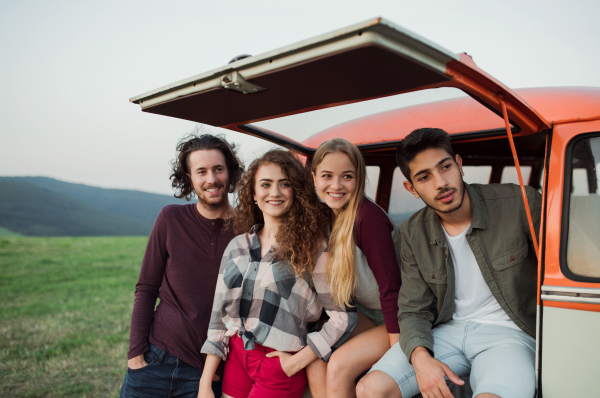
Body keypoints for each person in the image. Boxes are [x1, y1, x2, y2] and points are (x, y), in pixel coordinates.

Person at [357, 128, 541, 398]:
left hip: (510, 334)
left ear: (459, 164)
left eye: (445, 167)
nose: (441, 183)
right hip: (447, 332)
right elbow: (412, 310)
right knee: (370, 389)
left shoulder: (519, 203)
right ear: (411, 188)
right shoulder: (413, 233)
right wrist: (420, 358)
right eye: (424, 177)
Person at [199, 149, 359, 398]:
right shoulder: (237, 247)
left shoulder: (314, 248)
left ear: (295, 192)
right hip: (237, 357)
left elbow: (343, 318)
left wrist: (296, 362)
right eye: (266, 184)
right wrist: (205, 384)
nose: (274, 192)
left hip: (280, 365)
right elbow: (219, 320)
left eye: (284, 184)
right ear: (253, 193)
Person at [119, 134, 244, 398]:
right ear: (189, 178)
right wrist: (135, 355)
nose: (211, 179)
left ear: (230, 173)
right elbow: (146, 287)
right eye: (201, 171)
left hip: (211, 372)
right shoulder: (170, 219)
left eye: (218, 169)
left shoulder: (249, 230)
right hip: (156, 359)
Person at [306, 138, 402, 398]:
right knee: (314, 353)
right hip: (364, 314)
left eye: (346, 176)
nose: (336, 186)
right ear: (314, 178)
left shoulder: (368, 219)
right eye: (327, 176)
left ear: (359, 179)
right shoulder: (325, 216)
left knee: (339, 365)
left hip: (401, 317)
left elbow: (391, 289)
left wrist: (398, 357)